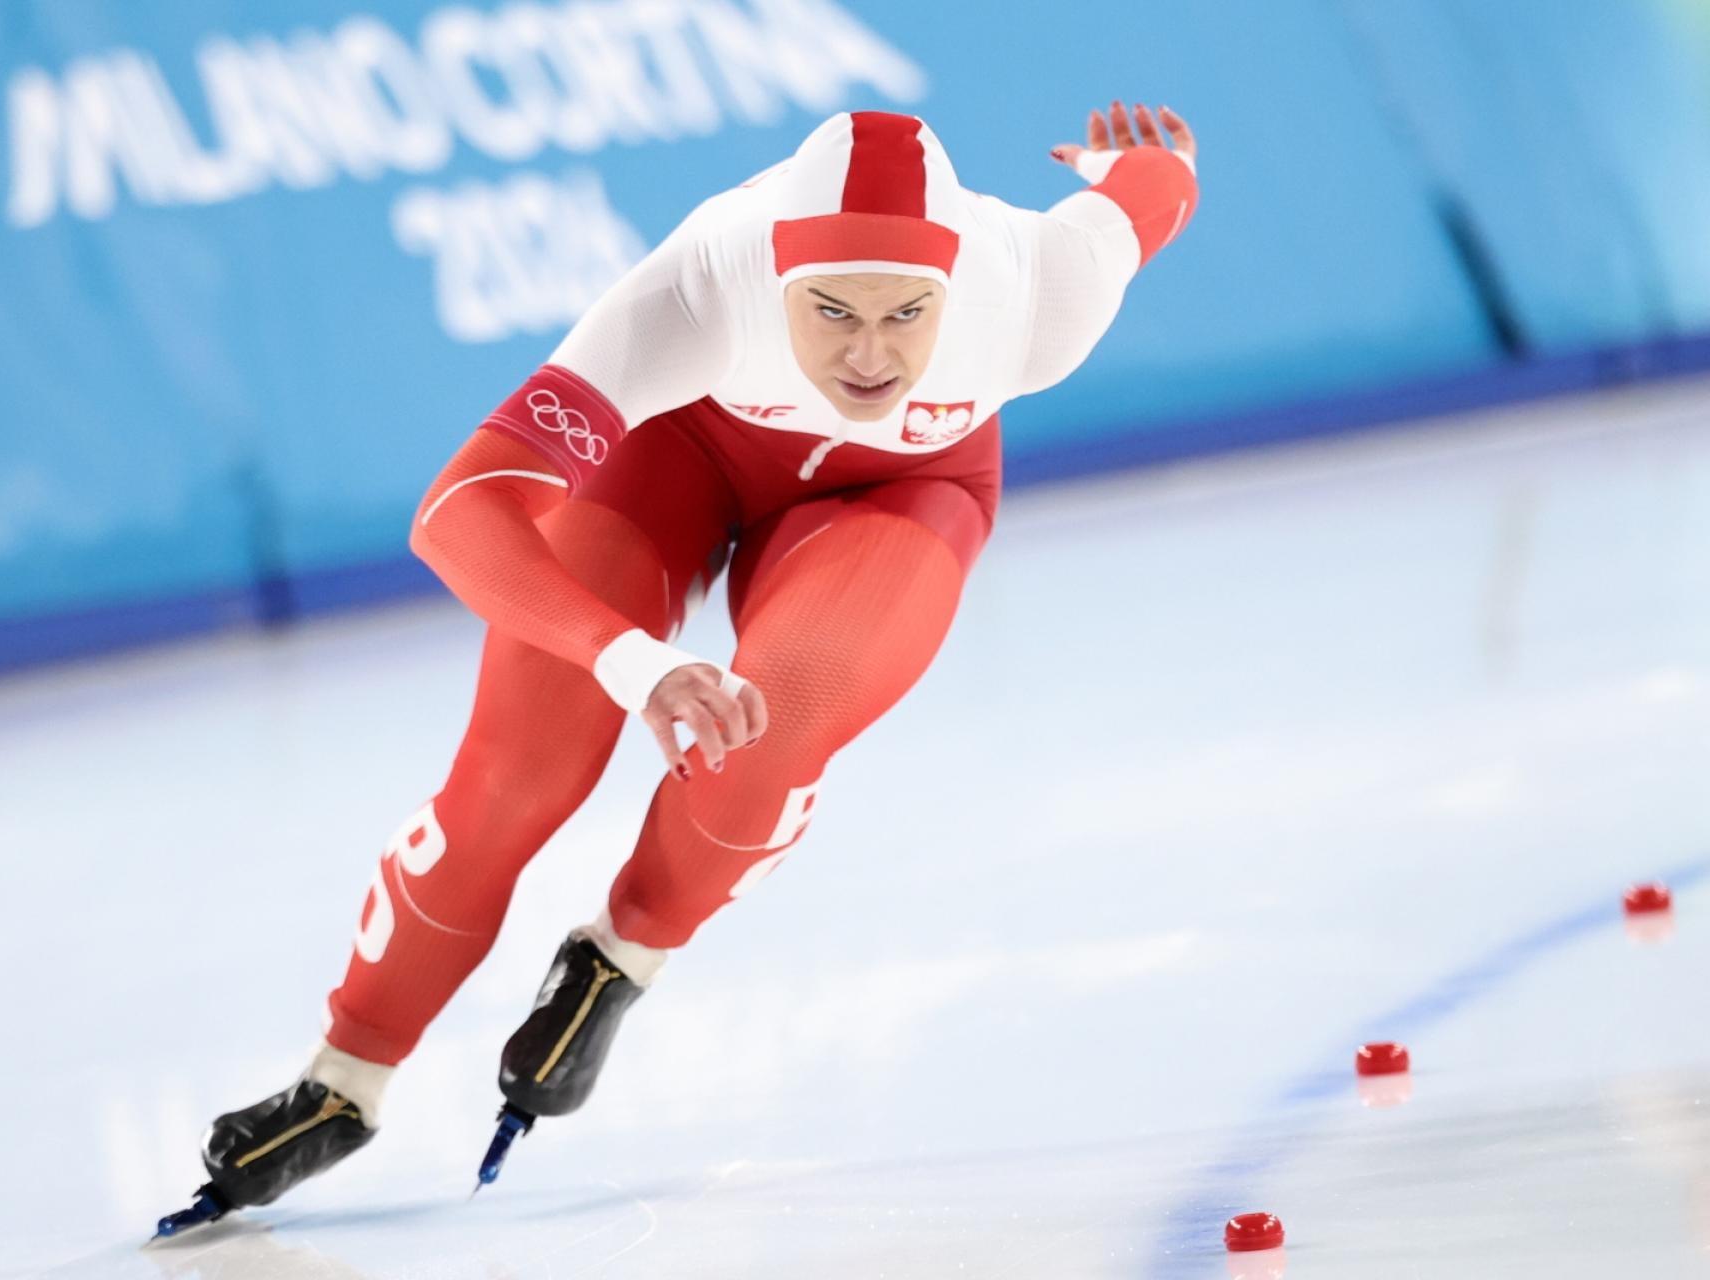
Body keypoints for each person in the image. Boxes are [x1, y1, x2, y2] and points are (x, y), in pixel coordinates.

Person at [158, 100, 1199, 1234]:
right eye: (830, 311)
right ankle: (343, 1079)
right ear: (776, 277)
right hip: (680, 451)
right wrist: (626, 658)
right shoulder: (696, 287)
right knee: (515, 778)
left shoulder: (1038, 292)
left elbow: (1151, 196)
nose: (867, 356)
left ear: (951, 285)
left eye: (906, 314)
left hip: (905, 489)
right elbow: (459, 509)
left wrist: (1127, 160)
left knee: (774, 722)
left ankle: (622, 953)